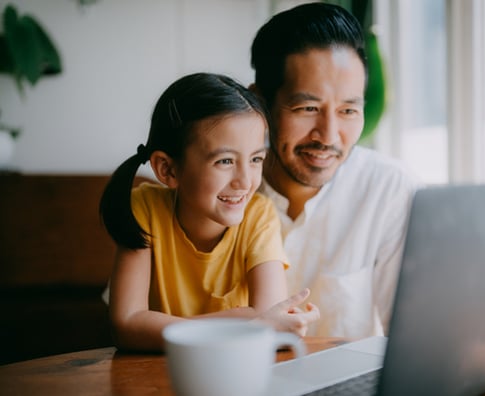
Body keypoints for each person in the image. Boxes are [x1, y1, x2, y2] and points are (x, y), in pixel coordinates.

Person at [99, 73, 319, 351]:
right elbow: (127, 326)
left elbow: (269, 321)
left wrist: (161, 326)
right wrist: (245, 321)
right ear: (168, 169)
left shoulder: (259, 216)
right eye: (225, 161)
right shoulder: (146, 208)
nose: (245, 180)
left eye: (255, 159)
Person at [250, 3, 420, 338]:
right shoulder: (216, 191)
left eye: (347, 110)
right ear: (260, 105)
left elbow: (416, 338)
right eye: (307, 108)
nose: (328, 136)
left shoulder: (388, 188)